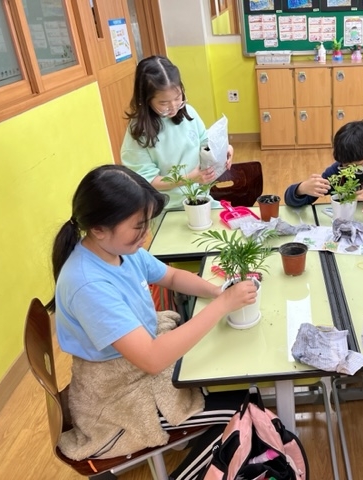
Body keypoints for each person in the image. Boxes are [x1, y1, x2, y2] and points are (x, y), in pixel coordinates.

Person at [47, 165, 256, 476]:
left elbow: (170, 276)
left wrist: (216, 291)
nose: (146, 234)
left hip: (135, 365)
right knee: (243, 405)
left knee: (225, 373)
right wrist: (223, 305)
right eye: (138, 226)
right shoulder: (88, 284)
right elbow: (152, 358)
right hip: (117, 395)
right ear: (99, 228)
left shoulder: (118, 249)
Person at [121, 55, 233, 209]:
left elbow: (205, 143)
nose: (173, 107)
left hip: (201, 199)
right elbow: (146, 180)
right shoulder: (139, 131)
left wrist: (224, 149)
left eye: (178, 97)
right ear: (146, 100)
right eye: (164, 103)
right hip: (166, 208)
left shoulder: (188, 113)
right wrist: (189, 178)